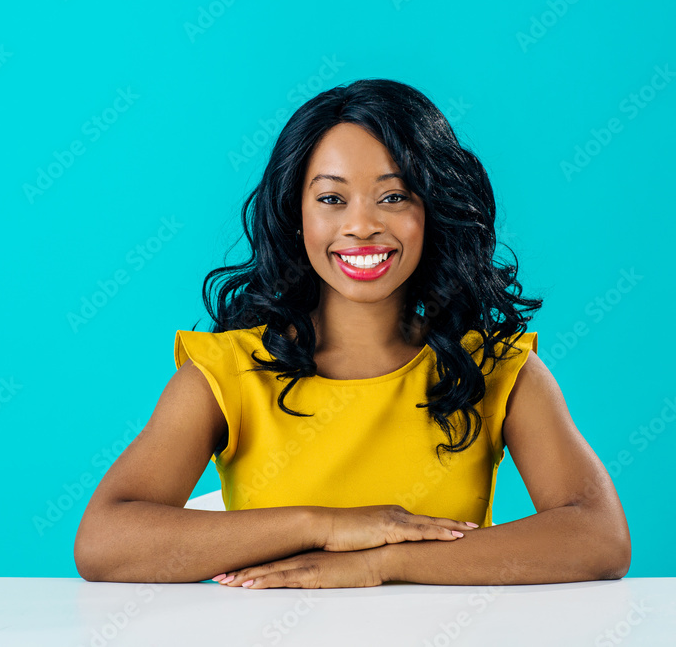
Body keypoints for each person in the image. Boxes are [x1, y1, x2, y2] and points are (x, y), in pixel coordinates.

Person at [73, 79, 630, 589]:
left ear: (433, 209)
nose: (362, 225)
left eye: (393, 196)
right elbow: (104, 544)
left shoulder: (499, 370)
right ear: (296, 215)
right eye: (332, 199)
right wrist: (328, 527)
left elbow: (599, 538)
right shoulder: (227, 373)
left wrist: (382, 561)